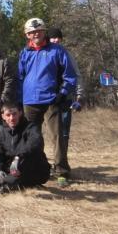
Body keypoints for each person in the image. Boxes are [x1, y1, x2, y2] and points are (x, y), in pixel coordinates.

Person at [18, 18, 77, 186]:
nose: (35, 34)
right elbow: (20, 77)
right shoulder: (24, 53)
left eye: (38, 31)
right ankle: (37, 168)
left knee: (57, 135)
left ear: (44, 32)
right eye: (31, 32)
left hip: (52, 99)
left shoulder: (57, 50)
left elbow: (70, 76)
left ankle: (61, 171)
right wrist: (18, 99)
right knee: (32, 138)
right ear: (27, 35)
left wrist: (63, 93)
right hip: (30, 101)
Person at [0, 102, 50, 193]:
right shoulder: (2, 134)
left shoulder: (31, 127)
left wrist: (18, 157)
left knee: (18, 169)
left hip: (31, 168)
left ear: (20, 113)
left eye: (14, 114)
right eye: (8, 115)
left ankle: (4, 189)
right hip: (11, 170)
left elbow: (36, 144)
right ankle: (13, 183)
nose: (12, 118)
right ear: (3, 116)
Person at [48, 27, 85, 177]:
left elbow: (77, 76)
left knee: (62, 134)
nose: (55, 40)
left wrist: (79, 98)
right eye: (52, 38)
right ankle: (48, 164)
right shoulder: (44, 54)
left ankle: (61, 166)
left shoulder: (67, 55)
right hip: (47, 101)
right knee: (50, 135)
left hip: (64, 100)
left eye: (58, 38)